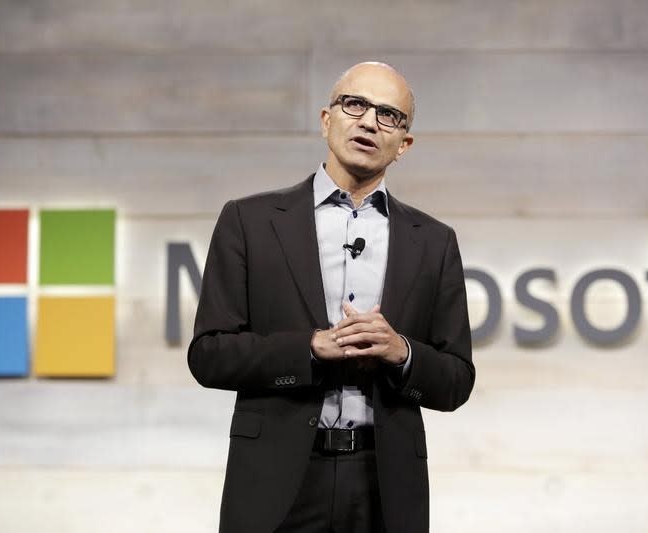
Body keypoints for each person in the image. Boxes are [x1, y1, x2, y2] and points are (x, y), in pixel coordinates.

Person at [188, 61, 474, 533]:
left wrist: (401, 353)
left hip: (384, 486)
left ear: (404, 145)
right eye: (355, 104)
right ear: (327, 120)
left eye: (389, 115)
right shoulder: (250, 221)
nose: (368, 121)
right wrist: (309, 348)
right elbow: (209, 354)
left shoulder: (434, 241)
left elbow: (456, 379)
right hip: (277, 482)